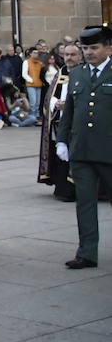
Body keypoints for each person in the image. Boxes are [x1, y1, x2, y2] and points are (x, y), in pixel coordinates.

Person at [56, 24, 112, 269]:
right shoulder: (77, 74)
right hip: (81, 149)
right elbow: (69, 111)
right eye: (86, 48)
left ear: (108, 48)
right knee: (85, 203)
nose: (89, 52)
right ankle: (87, 252)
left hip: (109, 150)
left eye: (94, 47)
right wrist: (62, 140)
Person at [41, 42, 81, 202]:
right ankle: (63, 189)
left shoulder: (83, 72)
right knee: (62, 155)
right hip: (60, 120)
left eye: (72, 55)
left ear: (80, 56)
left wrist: (71, 104)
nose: (69, 58)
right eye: (66, 55)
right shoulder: (60, 73)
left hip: (78, 122)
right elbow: (50, 95)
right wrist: (55, 103)